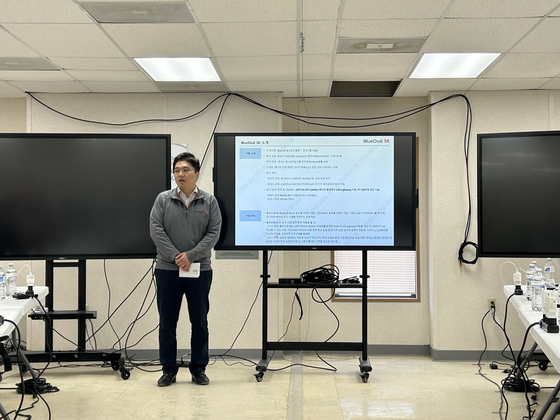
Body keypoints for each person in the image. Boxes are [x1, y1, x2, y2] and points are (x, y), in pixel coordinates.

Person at [150, 152, 222, 387]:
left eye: (185, 170)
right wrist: (175, 257)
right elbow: (156, 230)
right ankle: (168, 370)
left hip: (200, 270)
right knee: (167, 322)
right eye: (177, 170)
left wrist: (189, 256)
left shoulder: (209, 202)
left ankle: (198, 368)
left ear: (197, 174)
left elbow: (213, 234)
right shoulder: (163, 199)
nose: (180, 174)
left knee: (199, 321)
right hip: (167, 269)